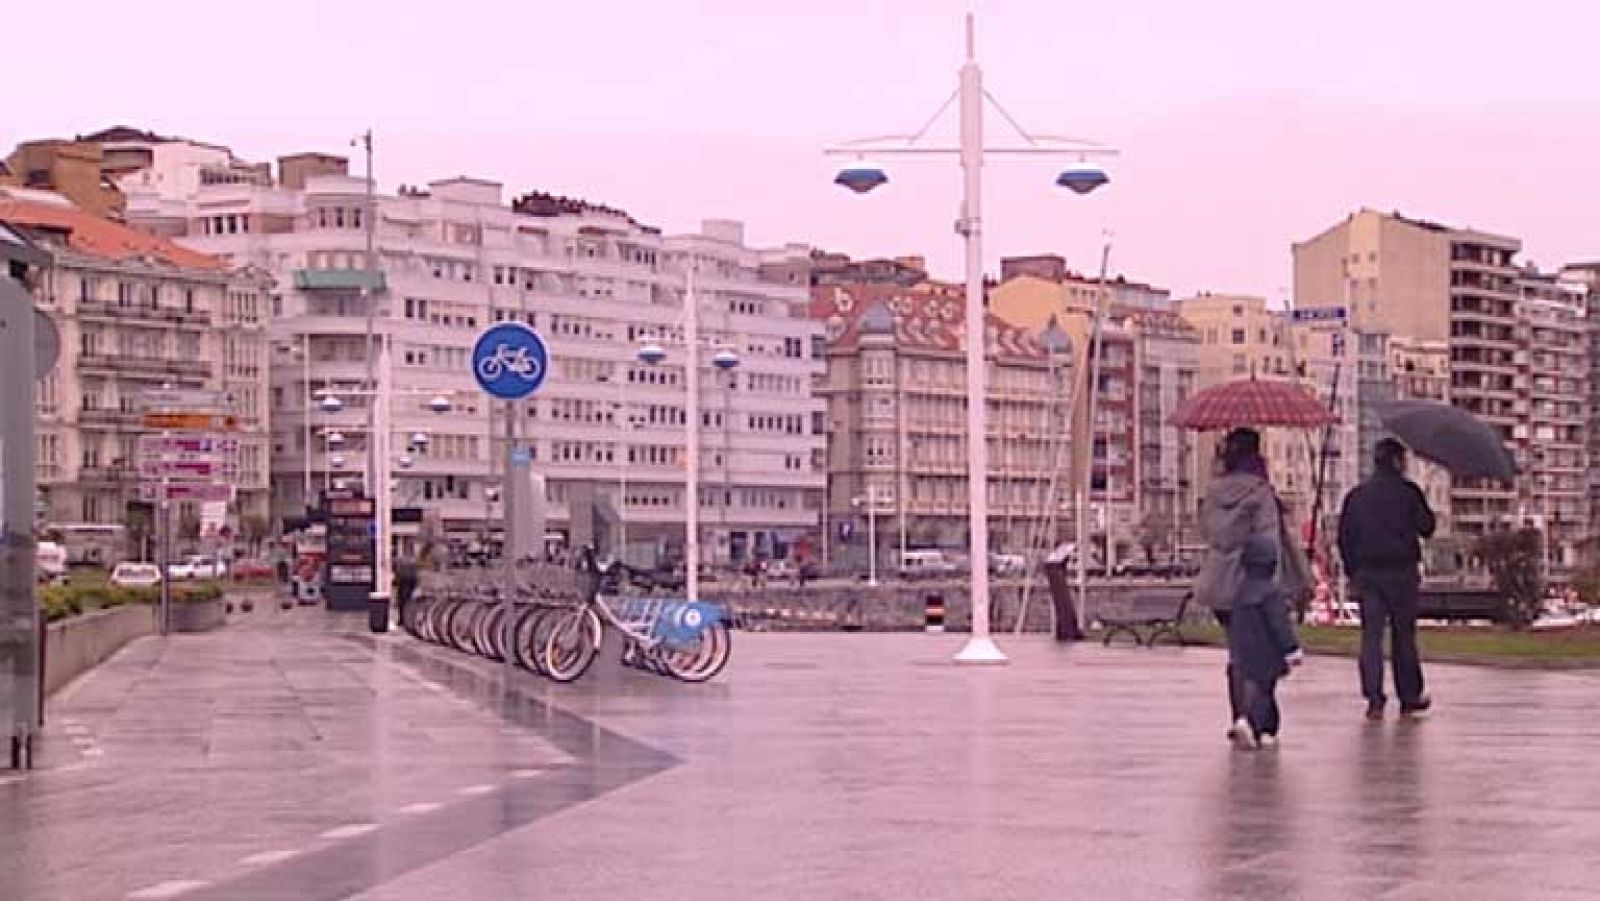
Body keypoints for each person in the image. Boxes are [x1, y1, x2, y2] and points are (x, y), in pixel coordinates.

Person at [1195, 427, 1310, 745]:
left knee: (1238, 653)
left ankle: (1241, 718)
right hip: (1254, 584)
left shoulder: (1214, 493)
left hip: (1219, 586)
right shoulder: (1261, 494)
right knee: (1263, 655)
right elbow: (1269, 542)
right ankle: (1253, 719)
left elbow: (1210, 534)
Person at [1338, 438, 1437, 720]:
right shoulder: (1408, 493)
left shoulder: (1356, 496)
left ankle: (1374, 698)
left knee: (1371, 637)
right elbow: (1427, 528)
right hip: (1401, 572)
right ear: (1396, 461)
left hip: (1368, 574)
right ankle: (1409, 695)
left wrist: (1352, 570)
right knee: (1403, 636)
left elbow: (1345, 537)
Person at [1227, 534, 1305, 749]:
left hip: (1244, 650)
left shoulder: (1241, 592)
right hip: (1268, 652)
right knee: (1265, 692)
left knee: (1250, 688)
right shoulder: (1272, 593)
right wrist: (1292, 649)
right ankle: (1262, 729)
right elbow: (1280, 624)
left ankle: (1245, 720)